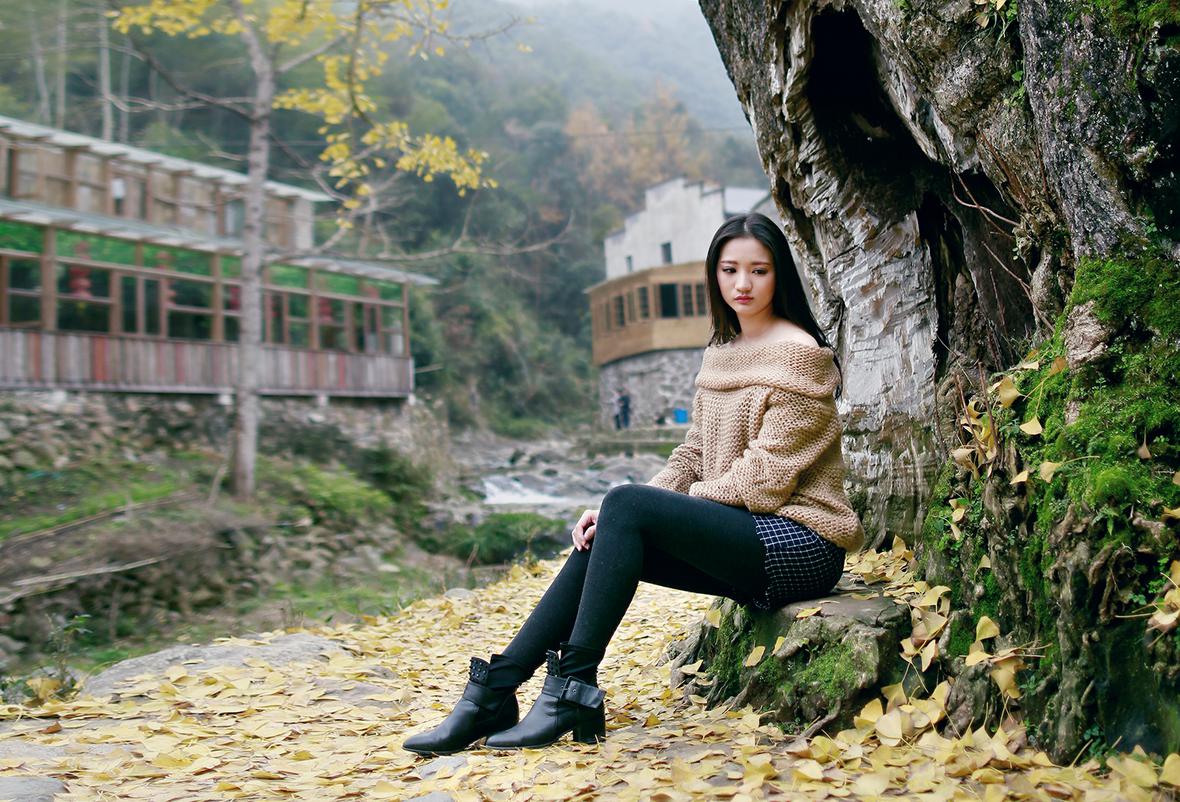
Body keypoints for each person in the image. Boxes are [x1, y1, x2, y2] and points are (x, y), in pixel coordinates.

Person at [402, 212, 865, 755]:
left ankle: (568, 689)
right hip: (743, 534)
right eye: (729, 270)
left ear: (779, 275)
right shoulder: (721, 352)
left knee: (627, 507)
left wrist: (657, 510)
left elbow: (763, 481)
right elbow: (693, 454)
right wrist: (631, 514)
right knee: (610, 526)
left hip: (801, 544)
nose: (743, 283)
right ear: (714, 275)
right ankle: (499, 688)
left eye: (758, 271)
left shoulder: (802, 356)